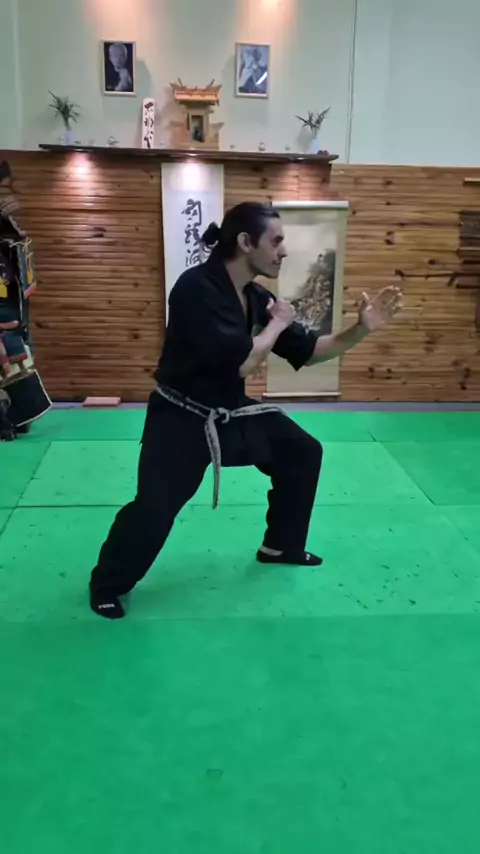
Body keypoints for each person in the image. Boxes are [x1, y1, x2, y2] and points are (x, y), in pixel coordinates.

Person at [89, 202, 403, 619]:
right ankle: (107, 584)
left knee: (301, 452)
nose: (283, 251)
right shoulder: (197, 288)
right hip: (181, 418)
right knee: (155, 507)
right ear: (245, 242)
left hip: (229, 412)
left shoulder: (256, 296)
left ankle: (280, 546)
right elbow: (241, 363)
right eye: (276, 241)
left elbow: (311, 352)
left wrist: (360, 329)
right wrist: (276, 324)